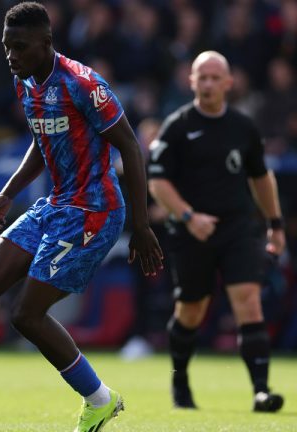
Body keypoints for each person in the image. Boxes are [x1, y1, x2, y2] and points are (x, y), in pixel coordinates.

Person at [0, 3, 163, 432]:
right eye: (6, 47)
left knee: (26, 315)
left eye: (19, 47)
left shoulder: (82, 84)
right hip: (56, 206)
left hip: (93, 212)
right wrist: (7, 193)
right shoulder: (25, 82)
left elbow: (131, 148)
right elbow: (43, 141)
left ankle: (99, 399)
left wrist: (142, 225)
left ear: (46, 42)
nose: (11, 55)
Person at [147, 51, 286, 412]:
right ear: (191, 82)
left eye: (214, 77)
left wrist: (275, 224)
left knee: (248, 300)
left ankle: (260, 390)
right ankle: (180, 381)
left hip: (238, 227)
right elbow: (158, 183)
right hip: (191, 232)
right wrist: (190, 216)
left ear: (228, 83)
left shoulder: (243, 127)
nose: (208, 84)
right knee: (191, 310)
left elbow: (261, 178)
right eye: (201, 77)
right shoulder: (176, 127)